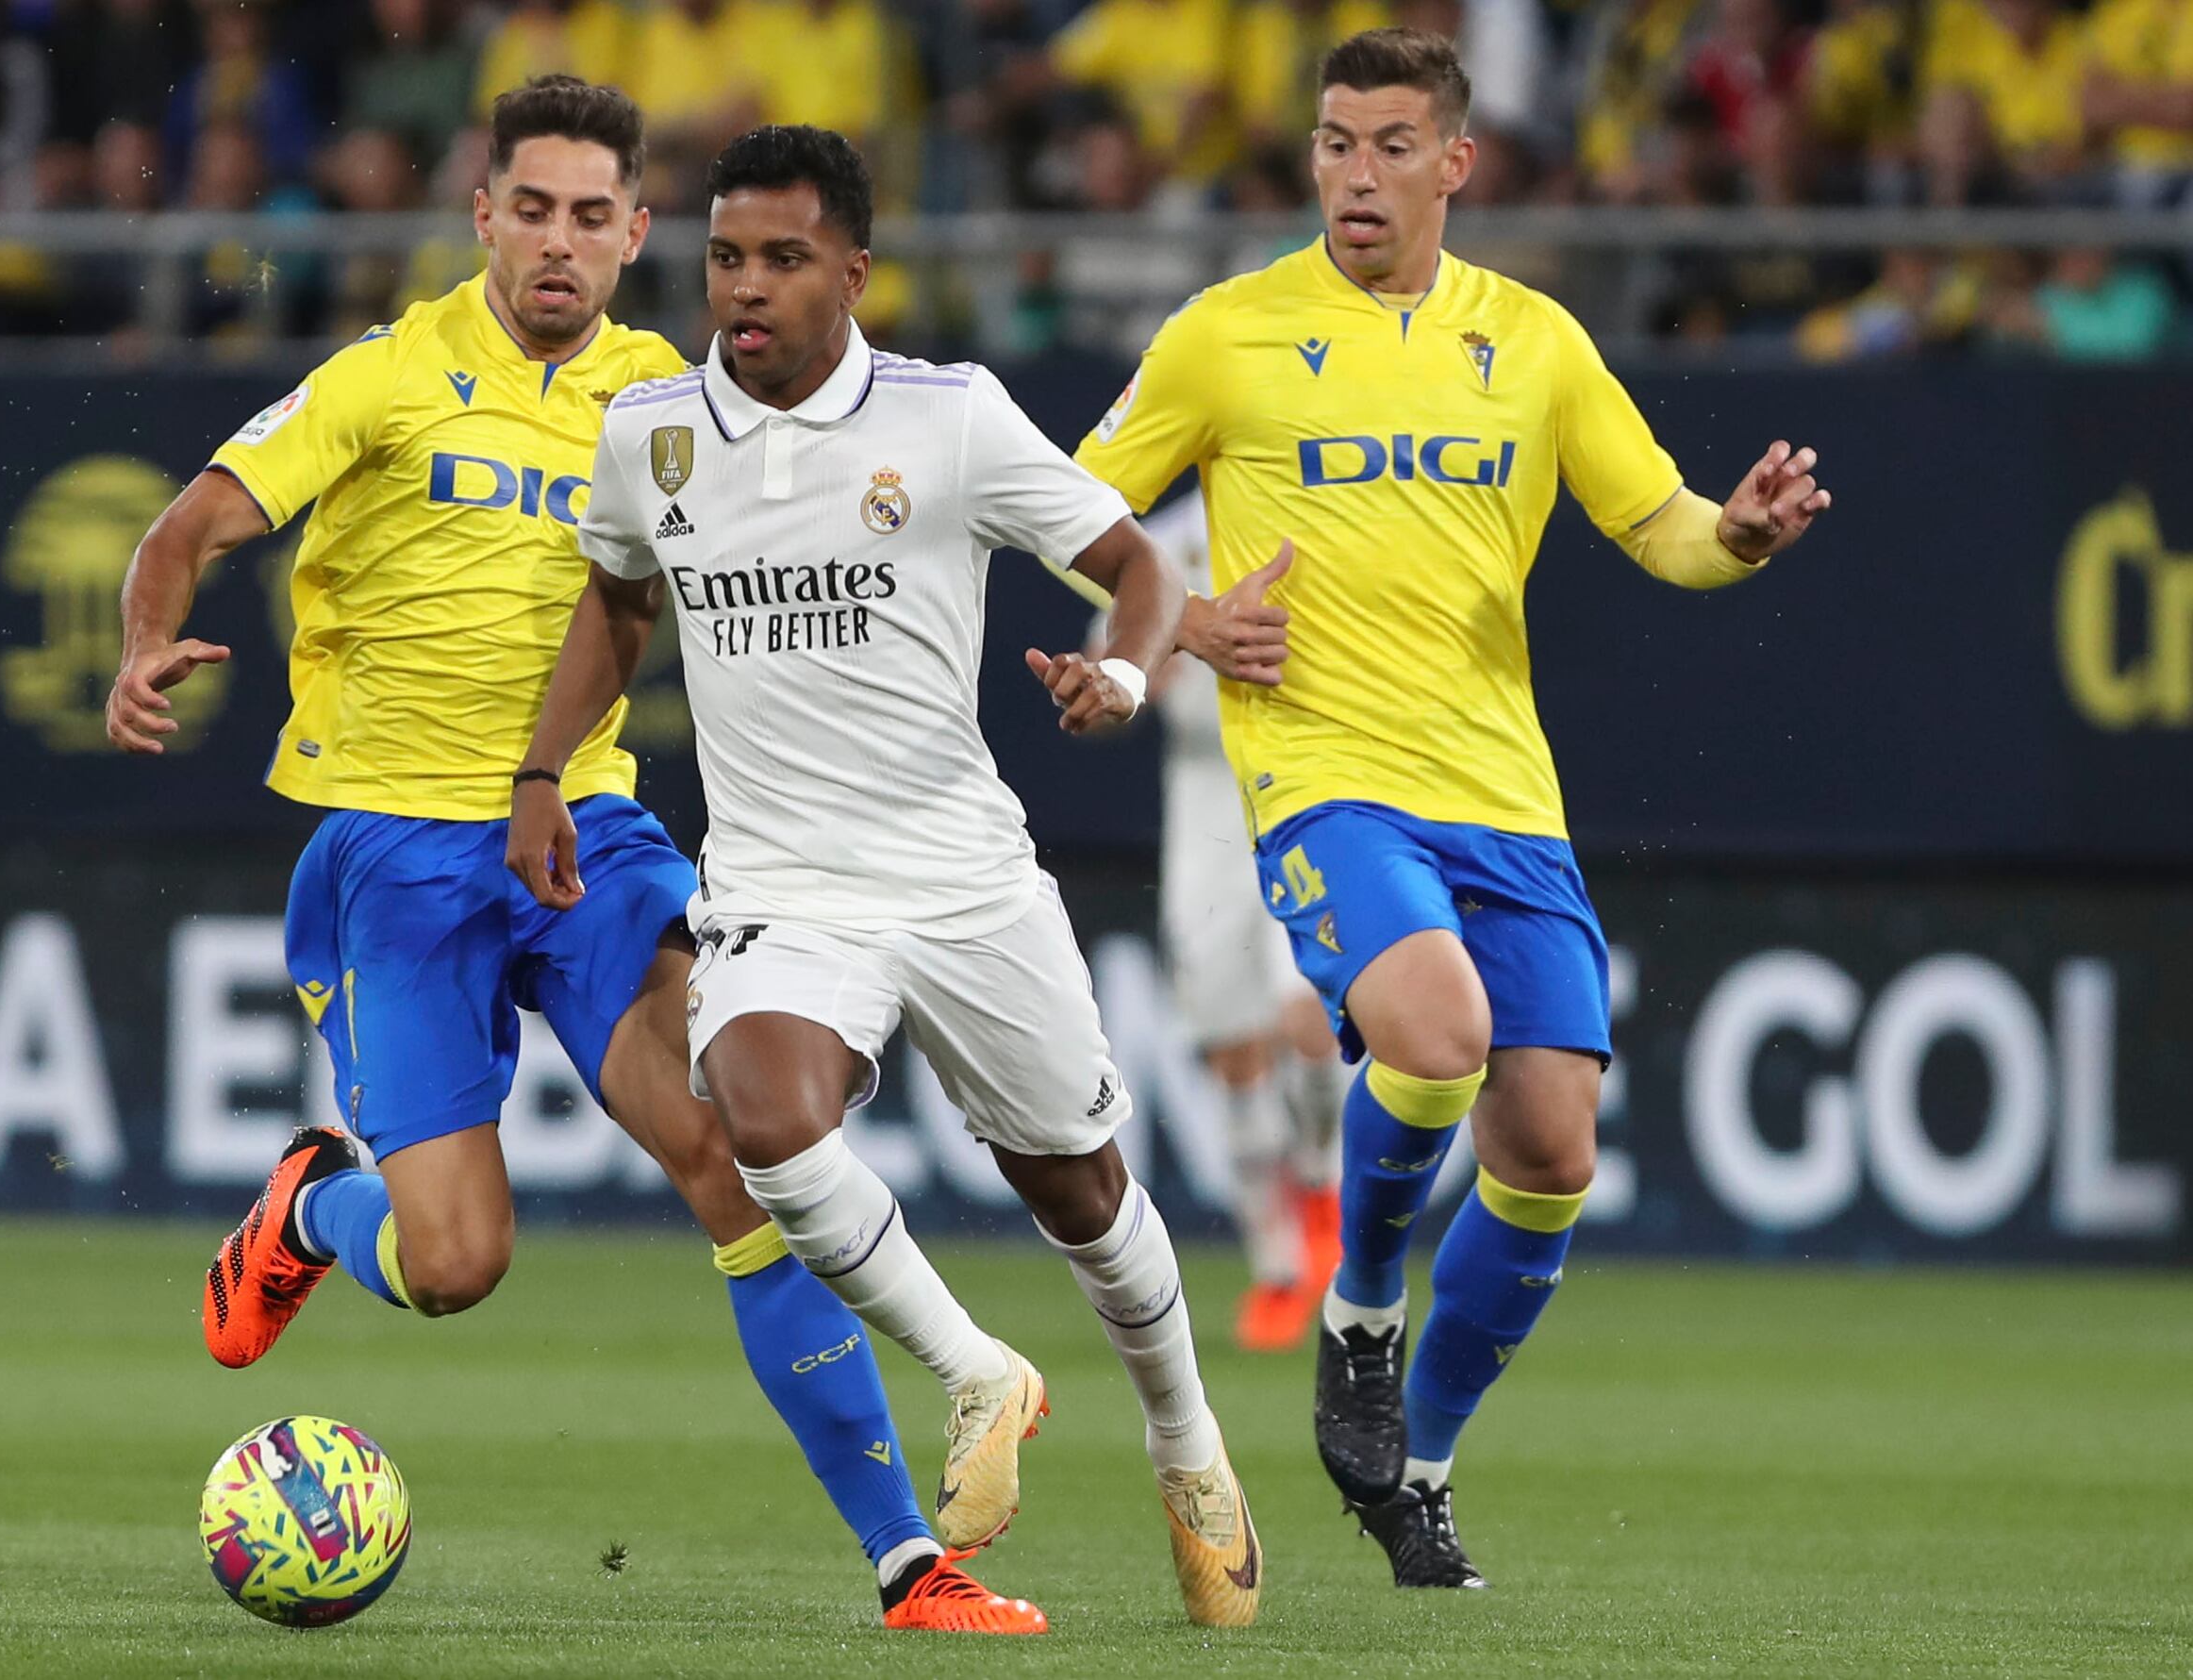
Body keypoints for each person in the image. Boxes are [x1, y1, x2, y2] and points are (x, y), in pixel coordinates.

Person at [103, 76, 1035, 1638]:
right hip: (400, 850)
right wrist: (140, 644)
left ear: (634, 232)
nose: (557, 243)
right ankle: (315, 1215)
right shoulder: (389, 375)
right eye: (529, 209)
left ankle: (908, 1563)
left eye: (590, 216)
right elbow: (187, 524)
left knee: (738, 1156)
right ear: (481, 217)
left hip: (584, 828)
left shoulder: (673, 400)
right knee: (458, 1262)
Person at [1074, 27, 1832, 1588]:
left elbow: (1663, 528)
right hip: (1327, 779)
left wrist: (1741, 536)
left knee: (1552, 1149)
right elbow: (1067, 497)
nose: (1357, 174)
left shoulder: (1537, 343)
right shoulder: (1228, 334)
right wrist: (1196, 623)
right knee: (1433, 1030)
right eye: (1335, 143)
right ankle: (1358, 1306)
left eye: (1391, 145)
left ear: (1455, 162)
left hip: (1503, 791)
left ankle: (1411, 1466)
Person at [507, 123, 1262, 1630]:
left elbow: (1138, 568)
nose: (747, 288)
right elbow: (614, 601)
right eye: (725, 256)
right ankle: (978, 1370)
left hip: (962, 875)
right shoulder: (649, 432)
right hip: (785, 881)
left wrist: (1122, 674)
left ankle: (1184, 1439)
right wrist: (539, 769)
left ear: (851, 271)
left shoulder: (953, 417)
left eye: (784, 259)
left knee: (1079, 1188)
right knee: (760, 1114)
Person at [1140, 490, 1346, 1355]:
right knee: (1231, 1042)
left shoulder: (1317, 516)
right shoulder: (1163, 541)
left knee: (1307, 1010)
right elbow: (1123, 662)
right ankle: (1276, 1262)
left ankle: (1327, 1199)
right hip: (1202, 792)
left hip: (1300, 774)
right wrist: (1145, 665)